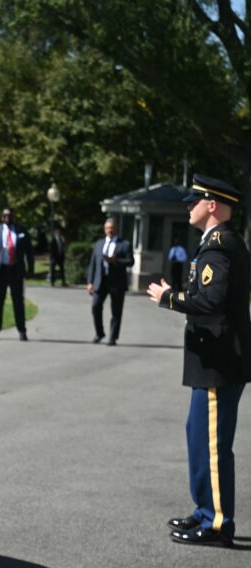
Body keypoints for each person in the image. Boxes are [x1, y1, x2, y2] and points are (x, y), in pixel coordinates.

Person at [147, 174, 251, 547]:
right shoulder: (215, 243)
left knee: (212, 444)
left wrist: (169, 298)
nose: (189, 207)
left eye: (194, 201)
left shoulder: (220, 246)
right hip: (212, 360)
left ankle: (218, 523)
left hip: (218, 362)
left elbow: (210, 301)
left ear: (212, 205)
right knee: (198, 436)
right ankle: (206, 509)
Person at [0, 207, 34, 340]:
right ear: (1, 217)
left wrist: (30, 270)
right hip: (0, 271)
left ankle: (22, 330)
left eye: (10, 215)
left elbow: (29, 252)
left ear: (14, 217)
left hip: (16, 270)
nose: (7, 218)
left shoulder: (22, 231)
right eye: (5, 215)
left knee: (18, 302)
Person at [86, 217, 133, 346]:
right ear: (104, 229)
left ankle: (113, 337)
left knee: (116, 311)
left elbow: (131, 261)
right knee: (95, 307)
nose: (109, 230)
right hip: (100, 282)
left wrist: (116, 261)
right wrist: (90, 282)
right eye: (107, 228)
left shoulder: (124, 244)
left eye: (112, 228)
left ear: (116, 229)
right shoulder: (99, 244)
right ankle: (99, 333)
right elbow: (93, 264)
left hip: (117, 283)